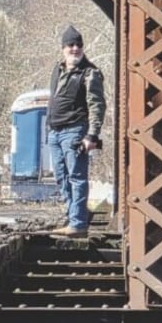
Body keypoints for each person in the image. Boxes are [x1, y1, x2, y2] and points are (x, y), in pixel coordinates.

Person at [47, 25, 107, 236]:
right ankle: (75, 214)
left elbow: (97, 105)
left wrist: (92, 135)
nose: (75, 49)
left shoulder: (90, 73)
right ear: (63, 48)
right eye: (71, 45)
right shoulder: (58, 69)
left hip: (74, 130)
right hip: (54, 132)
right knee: (61, 177)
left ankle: (78, 224)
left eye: (78, 45)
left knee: (76, 176)